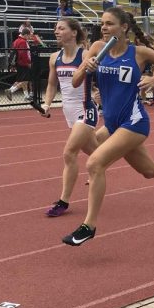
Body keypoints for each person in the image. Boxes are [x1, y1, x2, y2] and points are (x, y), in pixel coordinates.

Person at [61, 7, 154, 246]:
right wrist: (87, 68)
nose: (104, 28)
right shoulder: (97, 48)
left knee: (95, 162)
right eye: (102, 23)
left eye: (109, 23)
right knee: (149, 170)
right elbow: (75, 81)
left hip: (135, 121)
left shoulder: (138, 52)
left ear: (124, 27)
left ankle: (89, 226)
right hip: (114, 123)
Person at [41, 18, 100, 217]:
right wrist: (46, 103)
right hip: (68, 111)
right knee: (95, 152)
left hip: (86, 109)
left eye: (61, 28)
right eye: (55, 28)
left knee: (69, 153)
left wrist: (101, 93)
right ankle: (109, 156)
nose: (56, 31)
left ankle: (63, 201)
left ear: (74, 32)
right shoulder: (53, 58)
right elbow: (51, 85)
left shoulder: (85, 55)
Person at [6, 25, 34, 101]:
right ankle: (11, 90)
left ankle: (26, 96)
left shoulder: (16, 41)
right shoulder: (22, 42)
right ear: (26, 35)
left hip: (18, 63)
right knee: (25, 81)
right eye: (29, 36)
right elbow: (23, 54)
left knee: (19, 80)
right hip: (23, 64)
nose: (29, 38)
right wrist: (28, 63)